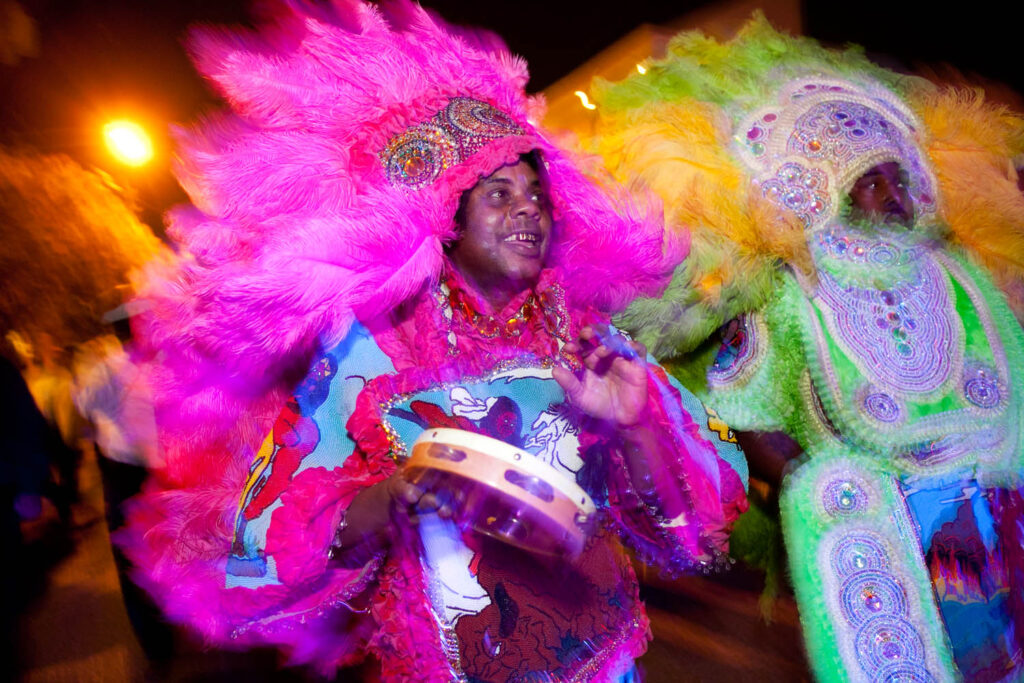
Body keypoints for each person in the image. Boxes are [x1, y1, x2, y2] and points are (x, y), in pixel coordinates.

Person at [117, 2, 747, 680]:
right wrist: (388, 499)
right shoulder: (373, 355)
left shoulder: (589, 338)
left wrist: (634, 427)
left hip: (604, 661)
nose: (528, 208)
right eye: (499, 193)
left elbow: (691, 544)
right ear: (444, 213)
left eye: (535, 192)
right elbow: (265, 541)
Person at [591, 16, 1024, 682]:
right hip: (899, 530)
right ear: (825, 189)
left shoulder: (962, 273)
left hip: (1005, 513)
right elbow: (749, 409)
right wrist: (834, 485)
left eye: (896, 177)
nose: (891, 196)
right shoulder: (793, 293)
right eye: (868, 181)